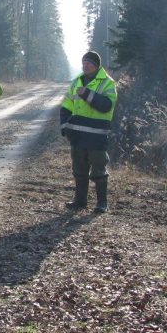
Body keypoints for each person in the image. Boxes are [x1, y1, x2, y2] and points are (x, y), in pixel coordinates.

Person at [60, 50, 117, 213]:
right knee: (79, 170)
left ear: (97, 66)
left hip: (97, 136)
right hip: (77, 136)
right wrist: (65, 128)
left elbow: (106, 105)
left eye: (89, 63)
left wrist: (86, 94)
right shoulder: (76, 81)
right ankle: (80, 201)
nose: (85, 66)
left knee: (99, 170)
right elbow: (65, 107)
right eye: (84, 62)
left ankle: (102, 203)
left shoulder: (108, 83)